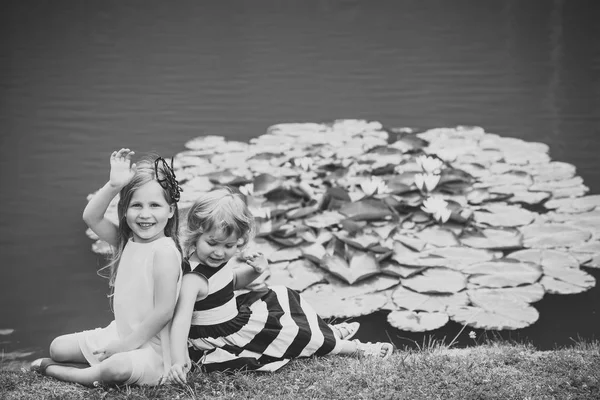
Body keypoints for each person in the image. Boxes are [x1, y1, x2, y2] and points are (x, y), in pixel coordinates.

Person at [166, 187, 393, 384]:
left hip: (233, 318)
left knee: (283, 295)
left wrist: (256, 270)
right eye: (212, 243)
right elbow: (181, 321)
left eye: (229, 246)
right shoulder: (193, 279)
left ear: (239, 242)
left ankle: (326, 332)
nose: (219, 252)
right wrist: (179, 359)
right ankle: (353, 348)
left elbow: (231, 282)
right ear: (196, 235)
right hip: (220, 336)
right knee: (287, 333)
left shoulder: (215, 261)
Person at [30, 148, 184, 387]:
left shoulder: (164, 252)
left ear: (171, 210)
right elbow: (91, 217)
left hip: (152, 349)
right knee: (58, 347)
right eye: (136, 205)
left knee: (115, 369)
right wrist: (114, 185)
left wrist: (125, 347)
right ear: (124, 210)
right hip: (120, 333)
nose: (145, 214)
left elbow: (163, 312)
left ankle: (63, 373)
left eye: (155, 205)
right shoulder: (126, 241)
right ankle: (82, 364)